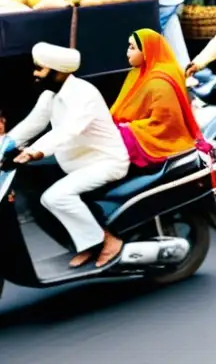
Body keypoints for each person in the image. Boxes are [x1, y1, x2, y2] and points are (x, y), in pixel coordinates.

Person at [3, 43, 129, 268]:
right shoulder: (50, 95)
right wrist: (5, 145)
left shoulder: (84, 94)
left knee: (54, 197)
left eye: (40, 69)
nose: (35, 73)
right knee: (40, 192)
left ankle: (108, 241)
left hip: (106, 162)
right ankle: (89, 243)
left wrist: (34, 152)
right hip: (77, 162)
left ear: (58, 71)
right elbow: (33, 124)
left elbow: (69, 130)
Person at [111, 29, 208, 168]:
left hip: (161, 138)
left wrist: (128, 129)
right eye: (129, 46)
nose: (128, 52)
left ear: (146, 50)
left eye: (133, 48)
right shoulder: (137, 72)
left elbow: (165, 125)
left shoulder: (160, 82)